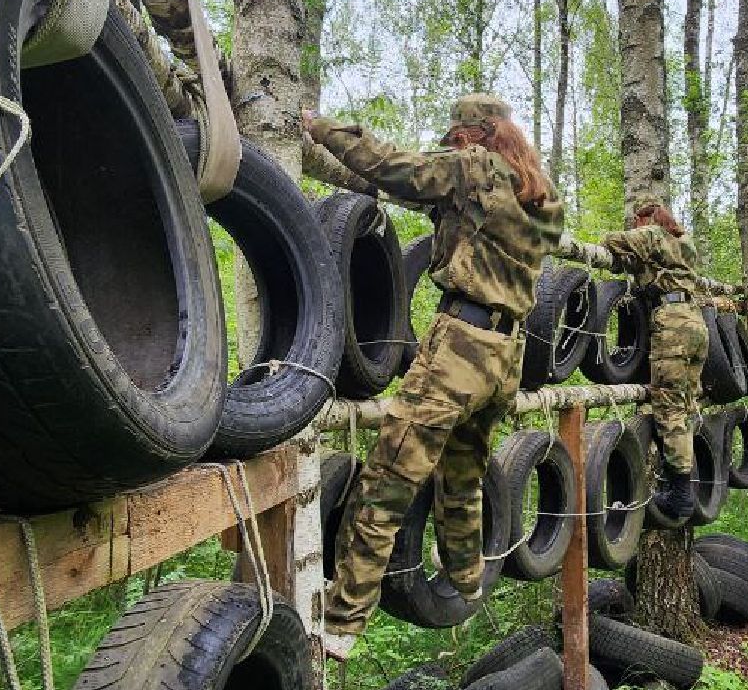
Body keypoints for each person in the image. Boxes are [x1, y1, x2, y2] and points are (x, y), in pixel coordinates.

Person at [303, 94, 564, 658]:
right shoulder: (540, 197)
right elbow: (478, 231)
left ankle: (343, 619)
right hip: (507, 356)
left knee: (388, 477)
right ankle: (466, 580)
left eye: (457, 136)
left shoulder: (474, 169)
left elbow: (394, 166)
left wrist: (321, 128)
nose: (453, 143)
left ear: (475, 135)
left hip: (461, 347)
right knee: (463, 475)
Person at [600, 204, 709, 521]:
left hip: (672, 325)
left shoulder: (652, 234)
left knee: (668, 405)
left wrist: (631, 246)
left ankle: (680, 496)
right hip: (696, 322)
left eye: (637, 220)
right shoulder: (685, 242)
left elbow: (612, 241)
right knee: (687, 403)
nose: (635, 225)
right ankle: (680, 484)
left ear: (647, 218)